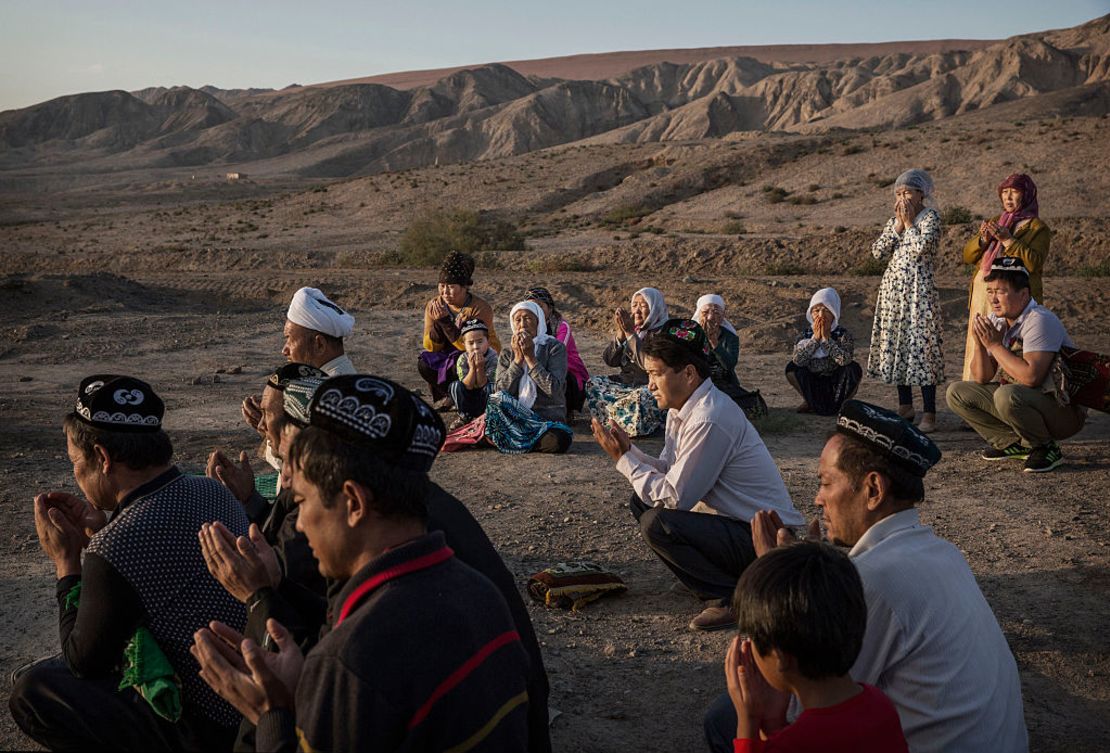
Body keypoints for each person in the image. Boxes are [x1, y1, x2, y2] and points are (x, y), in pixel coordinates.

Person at [191, 375, 533, 752]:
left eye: (302, 502)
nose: (300, 523)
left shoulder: (349, 662)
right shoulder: (480, 593)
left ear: (354, 502)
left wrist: (273, 714)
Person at [704, 399, 1028, 753]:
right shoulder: (942, 552)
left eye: (826, 483)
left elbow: (800, 703)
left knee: (724, 718)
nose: (817, 499)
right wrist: (795, 570)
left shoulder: (871, 579)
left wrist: (774, 582)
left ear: (873, 490)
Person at [10, 375, 250, 751]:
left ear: (102, 458)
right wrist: (103, 533)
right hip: (254, 700)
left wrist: (67, 562)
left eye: (75, 461)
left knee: (33, 688)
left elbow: (83, 661)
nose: (75, 473)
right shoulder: (211, 490)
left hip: (207, 726)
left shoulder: (117, 547)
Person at [591, 319, 804, 631]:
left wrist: (624, 460)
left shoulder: (709, 418)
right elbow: (668, 470)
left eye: (655, 374)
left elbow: (676, 497)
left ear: (688, 374)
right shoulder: (684, 409)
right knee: (642, 501)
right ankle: (707, 578)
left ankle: (726, 597)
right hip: (737, 526)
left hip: (764, 539)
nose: (649, 385)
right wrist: (631, 452)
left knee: (658, 522)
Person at [722, 542, 907, 753]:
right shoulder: (880, 705)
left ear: (780, 656)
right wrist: (774, 724)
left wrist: (748, 722)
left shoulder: (793, 744)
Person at [946, 257, 1086, 473]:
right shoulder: (999, 319)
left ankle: (1045, 447)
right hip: (1029, 400)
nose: (993, 299)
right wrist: (980, 344)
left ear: (1023, 294)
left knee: (1006, 395)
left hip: (1063, 410)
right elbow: (982, 378)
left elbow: (1032, 377)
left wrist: (994, 343)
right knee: (957, 392)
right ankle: (1014, 444)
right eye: (990, 291)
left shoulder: (1039, 319)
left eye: (1001, 291)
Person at [867, 168, 945, 433]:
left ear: (921, 194)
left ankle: (930, 413)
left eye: (907, 192)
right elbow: (878, 253)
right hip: (894, 293)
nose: (903, 198)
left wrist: (910, 225)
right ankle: (905, 406)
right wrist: (898, 226)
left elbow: (922, 249)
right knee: (900, 345)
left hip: (918, 292)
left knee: (920, 349)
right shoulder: (895, 221)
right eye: (898, 193)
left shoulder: (930, 217)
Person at [961, 173, 1050, 380]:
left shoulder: (1038, 227)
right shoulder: (995, 221)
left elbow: (1034, 262)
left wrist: (1008, 241)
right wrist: (984, 239)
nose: (1008, 198)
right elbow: (967, 255)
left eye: (1014, 192)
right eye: (1005, 193)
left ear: (1026, 195)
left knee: (1009, 341)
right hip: (983, 294)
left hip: (1013, 296)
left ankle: (1008, 384)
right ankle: (975, 383)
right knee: (980, 338)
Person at [241, 285, 356, 445]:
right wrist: (271, 424)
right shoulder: (350, 381)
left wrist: (270, 434)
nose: (284, 350)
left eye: (289, 338)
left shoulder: (320, 395)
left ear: (319, 345)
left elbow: (306, 464)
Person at [485, 301, 573, 454]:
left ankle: (516, 441)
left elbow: (554, 389)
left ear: (538, 322)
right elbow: (500, 391)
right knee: (491, 420)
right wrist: (518, 361)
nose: (522, 324)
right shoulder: (507, 353)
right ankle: (521, 439)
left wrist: (531, 359)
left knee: (559, 441)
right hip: (514, 419)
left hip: (545, 420)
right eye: (517, 320)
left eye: (528, 319)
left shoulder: (554, 347)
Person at [418, 250, 501, 407]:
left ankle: (463, 397)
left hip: (479, 354)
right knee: (424, 362)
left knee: (462, 360)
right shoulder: (434, 305)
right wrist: (439, 323)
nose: (445, 292)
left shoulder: (479, 308)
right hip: (447, 354)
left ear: (465, 287)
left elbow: (472, 347)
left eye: (451, 287)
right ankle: (449, 395)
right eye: (442, 286)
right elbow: (429, 346)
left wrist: (447, 324)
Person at [586, 287, 669, 437]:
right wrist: (620, 335)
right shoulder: (634, 329)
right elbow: (610, 361)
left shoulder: (664, 333)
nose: (637, 311)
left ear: (655, 307)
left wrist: (630, 334)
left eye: (643, 306)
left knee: (643, 397)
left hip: (648, 385)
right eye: (634, 305)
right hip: (627, 384)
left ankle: (632, 425)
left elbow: (647, 364)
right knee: (593, 383)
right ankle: (610, 422)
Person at [785, 287, 862, 416]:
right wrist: (815, 339)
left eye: (826, 310)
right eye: (816, 310)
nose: (821, 315)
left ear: (834, 313)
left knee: (853, 368)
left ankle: (844, 404)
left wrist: (826, 340)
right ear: (811, 313)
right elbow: (798, 360)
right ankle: (809, 400)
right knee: (791, 368)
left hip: (835, 380)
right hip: (813, 379)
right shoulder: (804, 335)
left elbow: (844, 360)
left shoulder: (843, 335)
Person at [695, 294, 767, 421]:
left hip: (724, 383)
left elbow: (729, 365)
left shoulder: (730, 337)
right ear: (698, 314)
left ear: (723, 316)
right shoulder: (690, 335)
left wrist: (715, 343)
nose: (710, 317)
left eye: (716, 313)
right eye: (705, 312)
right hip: (697, 383)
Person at [526, 286, 590, 417]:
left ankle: (566, 409)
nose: (537, 311)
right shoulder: (526, 327)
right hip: (540, 369)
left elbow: (558, 353)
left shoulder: (561, 326)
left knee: (560, 376)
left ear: (550, 308)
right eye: (532, 308)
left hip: (569, 372)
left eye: (540, 306)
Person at [449, 317, 499, 426]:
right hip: (468, 395)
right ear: (464, 345)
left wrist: (480, 368)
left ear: (488, 341)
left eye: (480, 341)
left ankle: (488, 415)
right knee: (455, 386)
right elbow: (467, 385)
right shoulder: (462, 359)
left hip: (484, 397)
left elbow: (483, 384)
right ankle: (464, 415)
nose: (476, 347)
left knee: (493, 387)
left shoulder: (493, 357)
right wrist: (472, 368)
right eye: (471, 343)